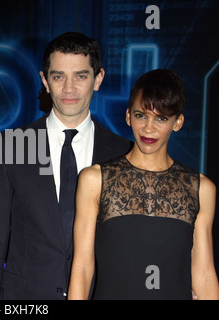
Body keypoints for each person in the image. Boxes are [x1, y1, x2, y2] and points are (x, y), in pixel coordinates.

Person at [0, 32, 132, 300]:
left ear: (98, 79)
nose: (69, 89)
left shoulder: (123, 153)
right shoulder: (10, 147)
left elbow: (131, 246)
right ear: (45, 81)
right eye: (58, 76)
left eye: (81, 76)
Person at [68, 69, 219, 300]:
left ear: (177, 122)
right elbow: (82, 268)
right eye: (141, 115)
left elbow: (204, 274)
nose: (149, 128)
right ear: (128, 116)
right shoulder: (95, 180)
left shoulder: (201, 189)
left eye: (161, 118)